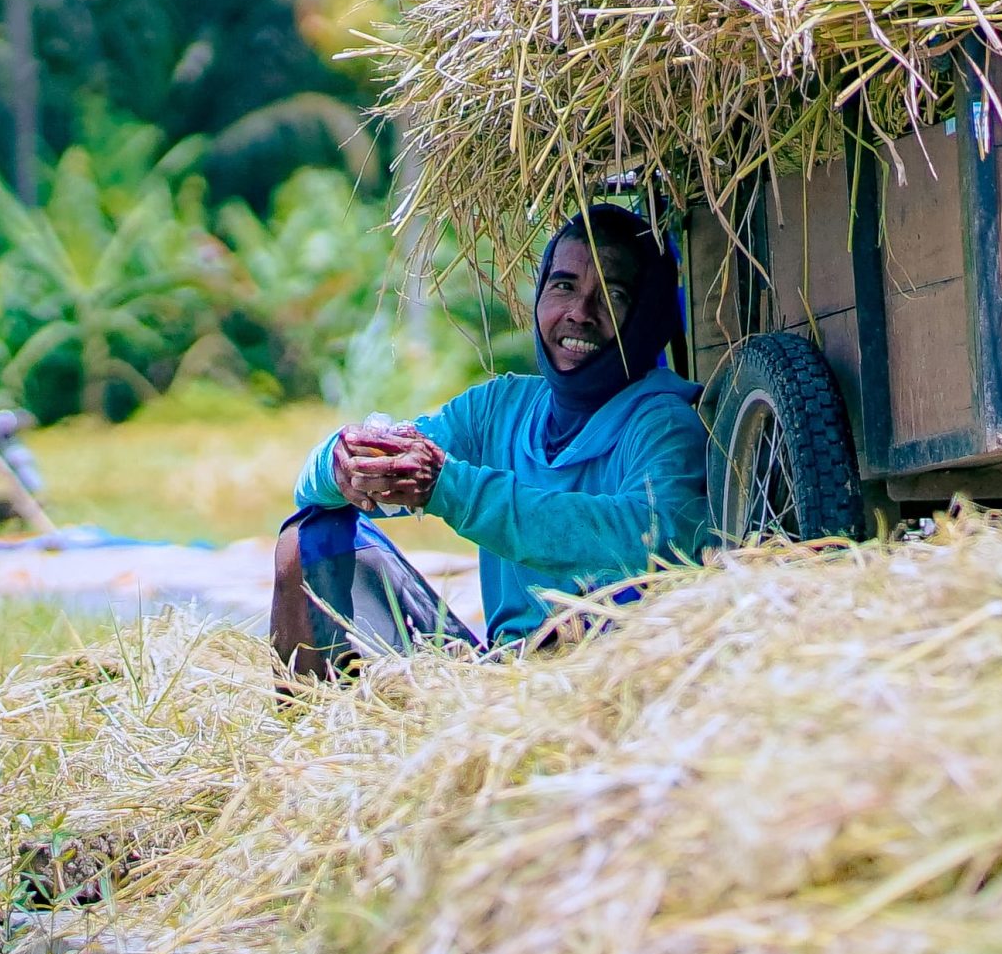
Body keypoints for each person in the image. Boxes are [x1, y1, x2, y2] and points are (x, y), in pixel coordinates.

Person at [273, 205, 710, 679]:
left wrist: (452, 489)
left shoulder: (664, 421)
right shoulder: (499, 407)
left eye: (612, 294)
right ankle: (309, 738)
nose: (580, 313)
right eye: (563, 286)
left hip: (605, 684)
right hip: (499, 680)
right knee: (306, 538)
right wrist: (344, 463)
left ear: (647, 316)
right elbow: (324, 484)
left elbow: (656, 540)